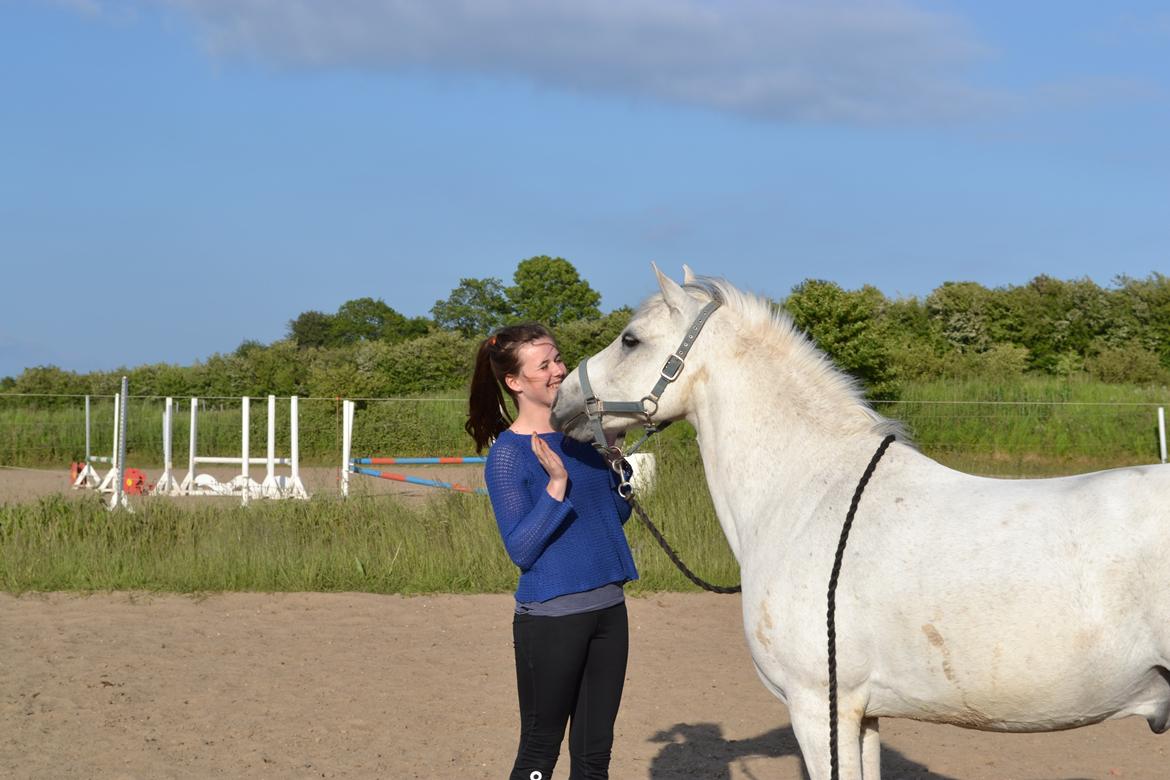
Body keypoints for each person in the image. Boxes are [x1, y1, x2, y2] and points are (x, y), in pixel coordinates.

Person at [466, 322, 638, 780]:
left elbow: (611, 520)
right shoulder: (507, 454)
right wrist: (556, 485)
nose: (559, 370)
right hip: (551, 621)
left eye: (558, 359)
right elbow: (522, 548)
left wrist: (619, 468)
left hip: (609, 610)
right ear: (515, 382)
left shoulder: (583, 439)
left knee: (594, 756)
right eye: (544, 364)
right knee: (540, 751)